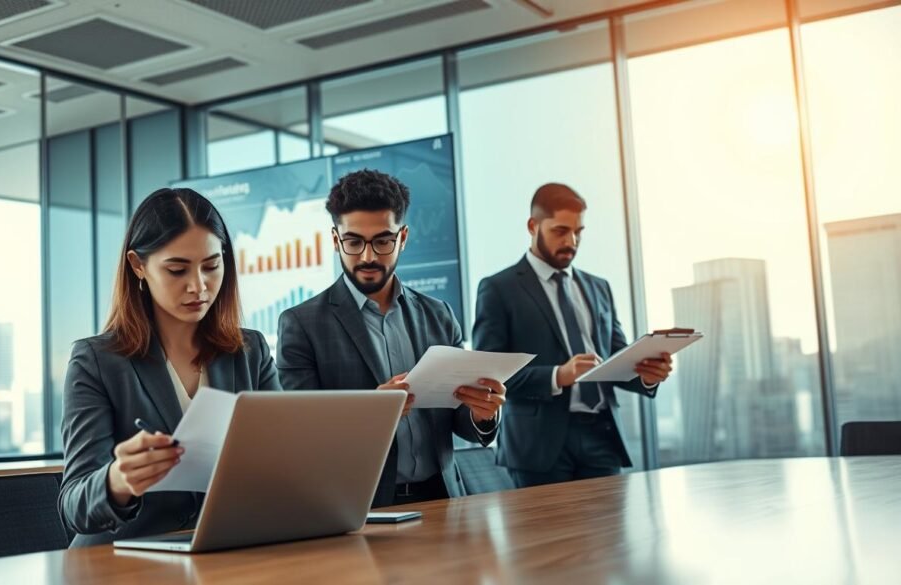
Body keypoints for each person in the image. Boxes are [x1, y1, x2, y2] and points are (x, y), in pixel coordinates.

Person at [58, 187, 280, 547]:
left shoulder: (250, 350)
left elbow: (283, 457)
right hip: (120, 565)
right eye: (177, 270)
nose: (199, 286)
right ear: (137, 265)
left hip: (223, 553)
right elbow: (74, 507)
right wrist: (118, 480)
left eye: (211, 266)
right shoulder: (96, 362)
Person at [277, 169, 506, 507]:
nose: (368, 256)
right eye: (354, 242)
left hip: (444, 500)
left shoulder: (438, 314)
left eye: (383, 240)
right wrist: (373, 411)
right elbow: (303, 434)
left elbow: (459, 418)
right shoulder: (301, 324)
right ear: (336, 239)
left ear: (403, 237)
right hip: (362, 508)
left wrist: (482, 412)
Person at [473, 183, 672, 488]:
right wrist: (557, 376)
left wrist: (648, 374)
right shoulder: (499, 289)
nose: (572, 241)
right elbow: (489, 375)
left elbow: (615, 359)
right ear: (532, 226)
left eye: (579, 231)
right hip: (537, 446)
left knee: (609, 536)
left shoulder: (599, 287)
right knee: (548, 536)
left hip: (602, 437)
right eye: (560, 231)